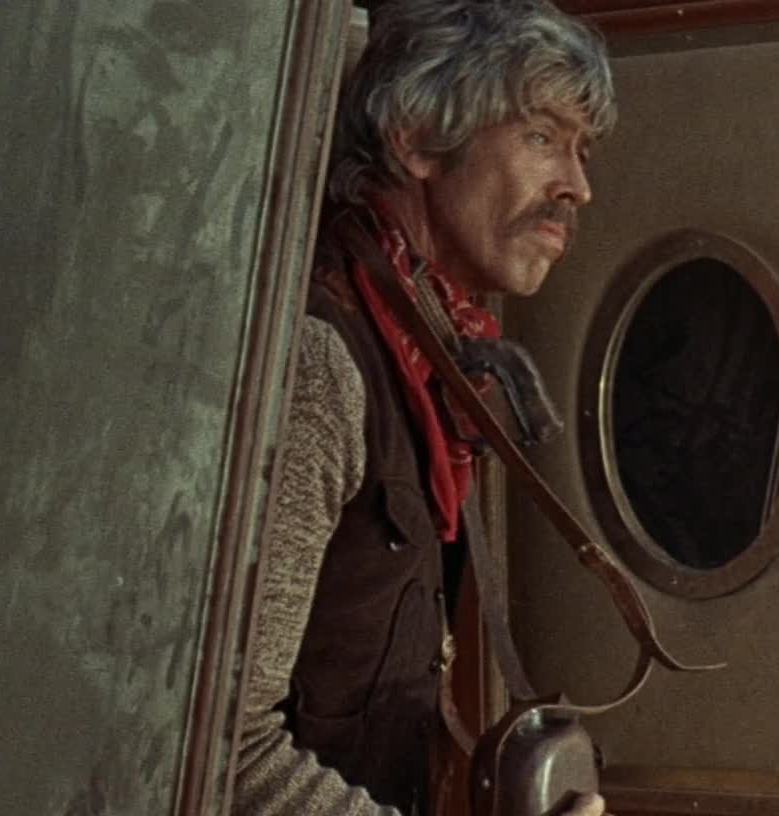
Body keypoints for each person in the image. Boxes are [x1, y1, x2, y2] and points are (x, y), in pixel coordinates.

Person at [233, 2, 614, 814]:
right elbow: (227, 754)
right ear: (415, 138)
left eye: (582, 150)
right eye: (541, 136)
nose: (577, 187)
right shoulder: (324, 366)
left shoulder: (434, 345)